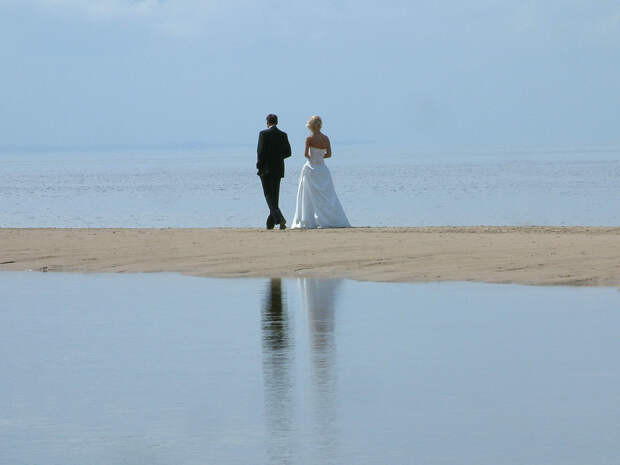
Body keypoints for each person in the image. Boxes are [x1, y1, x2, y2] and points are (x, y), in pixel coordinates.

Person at [291, 116, 350, 229]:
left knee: (309, 196)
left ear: (311, 126)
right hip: (322, 169)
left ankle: (310, 220)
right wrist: (320, 157)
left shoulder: (309, 139)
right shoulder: (326, 138)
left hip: (311, 168)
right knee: (327, 195)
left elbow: (306, 154)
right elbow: (329, 155)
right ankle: (329, 219)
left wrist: (312, 158)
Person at [257, 114, 292, 230]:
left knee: (268, 196)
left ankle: (279, 218)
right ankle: (270, 223)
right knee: (275, 197)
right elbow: (288, 152)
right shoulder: (283, 135)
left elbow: (260, 152)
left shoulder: (263, 134)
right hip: (278, 169)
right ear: (277, 122)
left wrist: (259, 166)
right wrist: (278, 157)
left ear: (267, 122)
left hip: (266, 169)